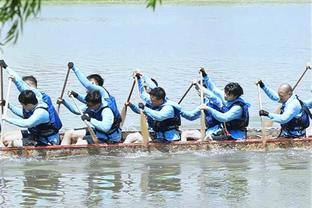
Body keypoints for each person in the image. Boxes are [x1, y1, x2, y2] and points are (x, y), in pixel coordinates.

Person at [0, 60, 62, 146]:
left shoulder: (40, 112)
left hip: (48, 140)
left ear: (28, 105)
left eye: (22, 105)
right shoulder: (35, 96)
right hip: (37, 135)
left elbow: (28, 123)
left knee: (12, 143)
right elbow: (20, 84)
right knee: (5, 137)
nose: (22, 107)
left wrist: (7, 119)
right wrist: (6, 67)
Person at [67, 62, 121, 133]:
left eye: (92, 83)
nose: (91, 86)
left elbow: (87, 85)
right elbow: (77, 110)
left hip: (109, 131)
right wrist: (74, 96)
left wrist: (74, 68)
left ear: (99, 85)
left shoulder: (101, 91)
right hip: (100, 130)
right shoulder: (93, 103)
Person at [199, 69, 250, 140]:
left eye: (228, 95)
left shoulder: (237, 108)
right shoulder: (228, 97)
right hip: (227, 130)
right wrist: (205, 75)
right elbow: (213, 89)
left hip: (237, 134)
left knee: (210, 138)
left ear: (235, 96)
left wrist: (208, 108)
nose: (225, 96)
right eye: (225, 93)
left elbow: (224, 118)